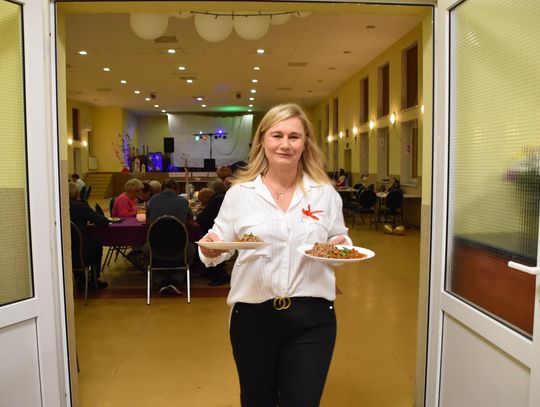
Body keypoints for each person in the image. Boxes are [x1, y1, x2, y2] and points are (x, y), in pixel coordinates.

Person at [198, 103, 351, 406]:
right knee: (257, 400)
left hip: (312, 317)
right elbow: (218, 241)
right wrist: (210, 244)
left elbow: (338, 238)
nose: (285, 144)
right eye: (277, 135)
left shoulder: (324, 193)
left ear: (305, 143)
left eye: (294, 136)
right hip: (253, 318)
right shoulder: (240, 194)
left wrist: (340, 244)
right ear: (262, 141)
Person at [144, 178, 196, 293]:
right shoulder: (184, 202)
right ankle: (176, 279)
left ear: (161, 189)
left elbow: (148, 221)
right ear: (176, 190)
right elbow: (190, 221)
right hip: (180, 248)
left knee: (145, 250)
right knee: (192, 250)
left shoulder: (151, 200)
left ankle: (160, 280)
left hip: (155, 248)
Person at [68, 182, 109, 289]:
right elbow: (102, 222)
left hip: (63, 251)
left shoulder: (58, 207)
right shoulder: (80, 206)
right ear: (77, 193)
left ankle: (80, 279)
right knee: (96, 245)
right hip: (80, 251)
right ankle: (94, 280)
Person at [196, 179, 229, 286]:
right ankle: (210, 270)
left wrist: (199, 214)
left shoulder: (217, 200)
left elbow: (202, 218)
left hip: (215, 231)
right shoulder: (221, 198)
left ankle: (220, 275)